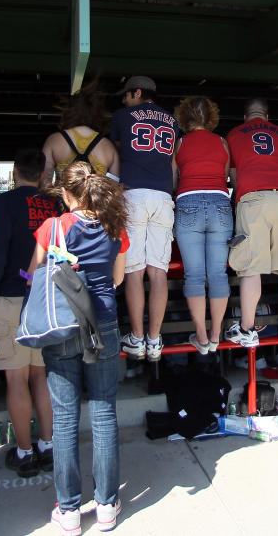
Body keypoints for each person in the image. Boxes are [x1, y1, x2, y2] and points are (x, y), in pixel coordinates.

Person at [33, 161, 129, 535]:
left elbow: (33, 276)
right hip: (103, 321)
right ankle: (107, 505)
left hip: (61, 325)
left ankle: (69, 509)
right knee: (104, 413)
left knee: (65, 418)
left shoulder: (51, 227)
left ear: (65, 193)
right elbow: (118, 278)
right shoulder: (115, 227)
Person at [0, 148, 59, 478]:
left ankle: (25, 453)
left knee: (16, 377)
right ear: (43, 175)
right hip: (45, 300)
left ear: (15, 175)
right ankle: (49, 446)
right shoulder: (54, 206)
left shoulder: (4, 203)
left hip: (11, 297)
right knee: (41, 375)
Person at [224, 98, 278, 347]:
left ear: (245, 116)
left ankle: (248, 330)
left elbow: (233, 175)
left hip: (254, 197)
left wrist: (242, 198)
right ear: (267, 116)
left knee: (251, 267)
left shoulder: (235, 134)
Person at [110, 76, 178, 362]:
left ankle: (136, 339)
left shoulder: (123, 116)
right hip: (163, 196)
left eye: (126, 94)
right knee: (158, 272)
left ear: (137, 92)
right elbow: (173, 162)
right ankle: (154, 339)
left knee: (134, 271)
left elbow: (114, 153)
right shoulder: (173, 121)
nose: (123, 100)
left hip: (133, 194)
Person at [172, 95, 233, 354]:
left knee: (194, 275)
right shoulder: (222, 142)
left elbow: (173, 178)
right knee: (218, 274)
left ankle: (201, 336)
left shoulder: (180, 142)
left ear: (185, 116)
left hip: (187, 201)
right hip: (220, 202)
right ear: (211, 117)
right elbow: (227, 174)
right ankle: (217, 333)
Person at [41, 78, 119, 187]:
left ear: (69, 112)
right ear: (97, 114)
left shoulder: (54, 140)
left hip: (63, 201)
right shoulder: (108, 147)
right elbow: (114, 186)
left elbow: (46, 180)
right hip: (94, 203)